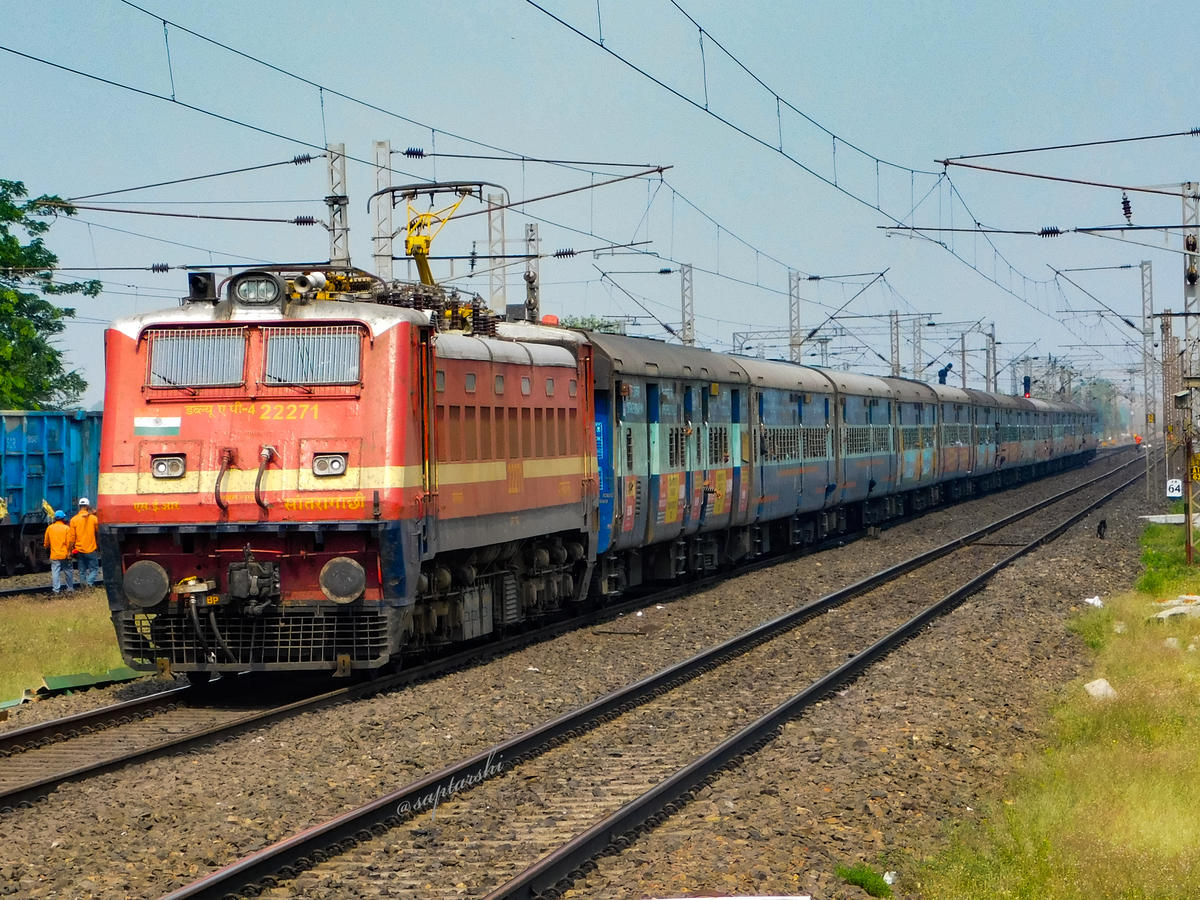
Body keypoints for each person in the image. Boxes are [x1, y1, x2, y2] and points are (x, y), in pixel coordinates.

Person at [70, 497, 101, 588]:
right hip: (91, 548)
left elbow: (72, 538)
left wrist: (70, 549)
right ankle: (89, 583)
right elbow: (99, 529)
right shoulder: (93, 518)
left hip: (79, 549)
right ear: (87, 506)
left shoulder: (74, 520)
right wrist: (95, 513)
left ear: (79, 506)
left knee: (82, 570)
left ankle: (83, 587)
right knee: (94, 569)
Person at [43, 509, 75, 594]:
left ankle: (56, 590)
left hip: (54, 555)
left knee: (55, 572)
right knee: (68, 571)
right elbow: (69, 542)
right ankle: (70, 589)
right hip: (65, 554)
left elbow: (46, 542)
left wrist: (46, 547)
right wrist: (69, 552)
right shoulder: (66, 528)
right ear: (63, 518)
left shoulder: (49, 528)